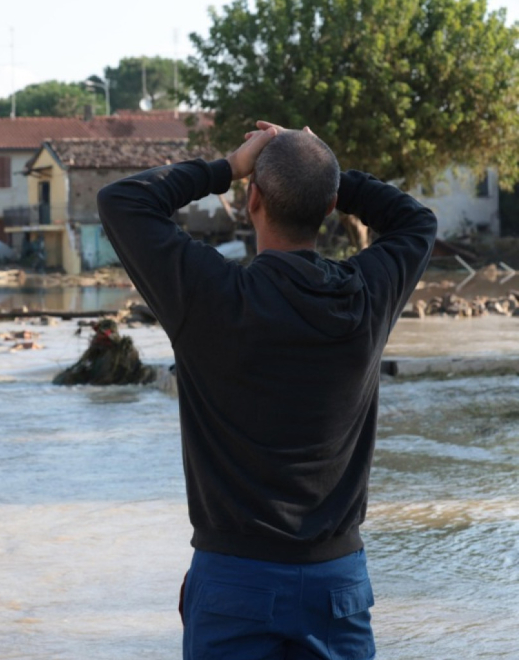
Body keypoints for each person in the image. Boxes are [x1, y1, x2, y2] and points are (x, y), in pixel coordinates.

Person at [97, 121, 437, 660]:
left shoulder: (210, 298)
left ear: (252, 199)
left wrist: (227, 167)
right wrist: (322, 168)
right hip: (336, 584)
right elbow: (416, 220)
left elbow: (122, 201)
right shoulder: (366, 298)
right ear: (330, 208)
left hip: (235, 580)